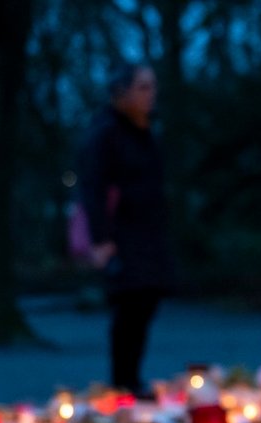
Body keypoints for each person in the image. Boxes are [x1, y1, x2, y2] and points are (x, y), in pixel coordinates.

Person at [78, 64, 175, 395]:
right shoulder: (105, 133)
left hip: (148, 232)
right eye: (143, 87)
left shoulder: (145, 131)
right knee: (129, 307)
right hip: (122, 235)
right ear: (123, 92)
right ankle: (122, 383)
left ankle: (131, 380)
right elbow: (92, 187)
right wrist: (101, 238)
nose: (151, 94)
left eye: (153, 87)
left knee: (146, 303)